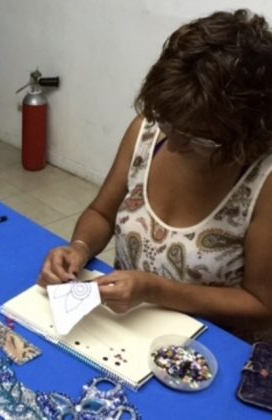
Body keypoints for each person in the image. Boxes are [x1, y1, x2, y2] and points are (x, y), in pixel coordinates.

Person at [39, 9, 272, 341]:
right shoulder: (148, 132)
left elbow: (262, 305)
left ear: (244, 136)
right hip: (125, 328)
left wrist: (155, 291)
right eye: (168, 122)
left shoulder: (264, 180)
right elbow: (101, 213)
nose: (173, 143)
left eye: (198, 138)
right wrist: (79, 248)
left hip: (209, 345)